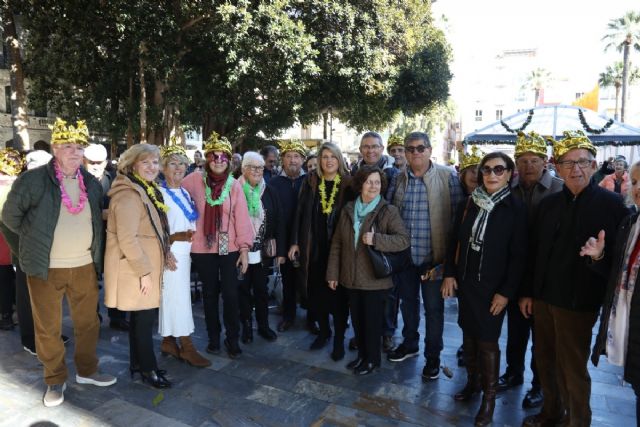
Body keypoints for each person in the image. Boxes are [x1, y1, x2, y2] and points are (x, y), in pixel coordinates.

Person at [1, 118, 116, 407]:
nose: (75, 152)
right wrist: (29, 249)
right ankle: (54, 379)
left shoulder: (91, 182)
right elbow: (9, 218)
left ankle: (88, 371)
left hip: (83, 267)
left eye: (79, 147)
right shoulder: (33, 180)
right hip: (45, 268)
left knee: (88, 323)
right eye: (67, 146)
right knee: (48, 328)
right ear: (55, 148)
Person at [519, 131, 629, 427]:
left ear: (594, 166)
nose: (575, 169)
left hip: (579, 302)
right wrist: (529, 292)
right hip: (543, 298)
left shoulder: (612, 205)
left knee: (572, 367)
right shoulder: (549, 204)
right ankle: (551, 412)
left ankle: (578, 421)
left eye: (582, 162)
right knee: (544, 360)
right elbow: (535, 253)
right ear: (557, 167)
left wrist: (598, 256)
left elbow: (618, 262)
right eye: (568, 163)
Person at [442, 152, 527, 426]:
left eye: (498, 169)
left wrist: (506, 292)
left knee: (488, 342)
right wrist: (449, 274)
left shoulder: (515, 207)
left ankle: (489, 399)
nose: (491, 174)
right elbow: (454, 240)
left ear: (509, 173)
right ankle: (472, 384)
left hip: (494, 289)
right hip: (467, 283)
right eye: (487, 169)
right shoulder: (470, 202)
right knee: (468, 335)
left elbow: (519, 257)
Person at [386, 131, 465, 381]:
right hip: (406, 259)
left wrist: (449, 263)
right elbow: (390, 215)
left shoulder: (448, 177)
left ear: (430, 150)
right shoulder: (398, 179)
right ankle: (410, 344)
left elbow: (457, 221)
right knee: (408, 305)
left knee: (434, 310)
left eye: (421, 148)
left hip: (435, 260)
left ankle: (433, 357)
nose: (415, 153)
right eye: (410, 149)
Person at [497, 131, 563, 409]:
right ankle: (513, 373)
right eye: (522, 160)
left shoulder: (559, 189)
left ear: (545, 161)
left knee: (543, 338)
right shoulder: (508, 189)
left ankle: (540, 385)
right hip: (514, 273)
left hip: (546, 276)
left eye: (534, 160)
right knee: (515, 331)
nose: (528, 166)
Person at [327, 166, 409, 375]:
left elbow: (403, 240)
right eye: (369, 181)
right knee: (357, 322)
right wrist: (333, 273)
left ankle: (372, 360)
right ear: (360, 184)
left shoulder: (387, 211)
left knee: (371, 324)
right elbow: (337, 244)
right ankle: (362, 357)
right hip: (350, 277)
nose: (373, 186)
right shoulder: (348, 209)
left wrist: (377, 239)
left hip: (375, 280)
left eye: (378, 182)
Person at [104, 144, 171, 389]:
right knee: (144, 321)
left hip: (144, 265)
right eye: (146, 162)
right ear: (133, 165)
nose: (152, 167)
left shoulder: (145, 189)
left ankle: (138, 364)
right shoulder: (129, 195)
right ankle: (148, 369)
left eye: (155, 162)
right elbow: (128, 239)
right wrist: (144, 272)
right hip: (137, 268)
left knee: (139, 320)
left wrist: (165, 253)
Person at [182, 132, 253, 359]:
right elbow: (176, 195)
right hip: (203, 248)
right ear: (207, 158)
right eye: (215, 156)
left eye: (224, 157)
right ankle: (214, 338)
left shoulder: (234, 185)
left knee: (231, 294)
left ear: (229, 160)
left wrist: (244, 249)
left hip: (228, 248)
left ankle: (232, 339)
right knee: (210, 295)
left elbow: (242, 219)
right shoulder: (193, 180)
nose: (219, 161)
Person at [289, 142, 353, 357]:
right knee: (318, 294)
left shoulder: (348, 184)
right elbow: (299, 213)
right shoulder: (311, 182)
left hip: (339, 250)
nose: (328, 161)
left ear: (339, 160)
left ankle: (339, 339)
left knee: (339, 297)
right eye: (324, 156)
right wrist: (296, 241)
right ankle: (324, 332)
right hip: (314, 248)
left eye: (332, 157)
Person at [591, 160, 640, 427]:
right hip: (630, 328)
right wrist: (598, 256)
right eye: (634, 181)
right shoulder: (630, 223)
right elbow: (616, 274)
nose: (638, 187)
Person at [157, 145, 211, 368]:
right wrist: (165, 251)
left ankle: (168, 341)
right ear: (163, 168)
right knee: (177, 298)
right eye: (173, 163)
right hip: (171, 252)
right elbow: (157, 227)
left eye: (182, 163)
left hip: (185, 251)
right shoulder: (159, 193)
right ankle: (187, 347)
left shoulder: (184, 192)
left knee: (174, 297)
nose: (178, 168)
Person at [237, 151, 286, 344]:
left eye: (260, 167)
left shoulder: (270, 190)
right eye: (252, 167)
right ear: (243, 169)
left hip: (262, 251)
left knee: (261, 289)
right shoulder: (234, 189)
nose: (257, 171)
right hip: (240, 252)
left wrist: (280, 251)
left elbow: (280, 220)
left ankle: (263, 325)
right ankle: (246, 327)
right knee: (242, 290)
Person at [84, 143, 129, 331]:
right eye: (91, 162)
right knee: (89, 281)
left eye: (99, 162)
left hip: (111, 237)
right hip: (87, 238)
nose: (95, 165)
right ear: (83, 161)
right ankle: (91, 317)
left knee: (116, 277)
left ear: (105, 162)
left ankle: (117, 317)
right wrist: (98, 214)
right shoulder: (77, 180)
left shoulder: (115, 179)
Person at [269, 140, 306, 332]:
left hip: (306, 240)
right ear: (282, 159)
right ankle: (289, 316)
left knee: (310, 280)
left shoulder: (310, 181)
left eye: (297, 156)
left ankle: (313, 318)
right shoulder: (273, 184)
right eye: (289, 156)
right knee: (288, 280)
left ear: (303, 160)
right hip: (283, 240)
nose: (293, 160)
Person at [0, 148, 23, 330]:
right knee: (10, 280)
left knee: (4, 280)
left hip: (4, 244)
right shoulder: (19, 188)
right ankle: (10, 313)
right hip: (15, 244)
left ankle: (6, 315)